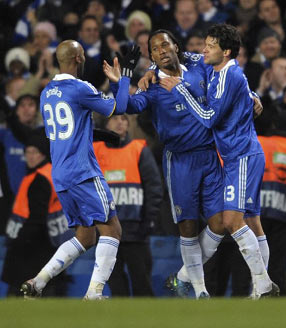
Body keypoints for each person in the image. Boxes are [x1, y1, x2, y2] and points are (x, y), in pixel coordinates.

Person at [103, 29, 226, 299]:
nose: (161, 50)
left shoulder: (197, 64)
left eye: (165, 44)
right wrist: (120, 81)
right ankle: (199, 289)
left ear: (176, 46)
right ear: (152, 56)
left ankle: (182, 276)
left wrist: (253, 95)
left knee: (220, 223)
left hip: (209, 155)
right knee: (188, 226)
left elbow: (225, 68)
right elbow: (126, 106)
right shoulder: (152, 87)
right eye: (155, 48)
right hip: (180, 160)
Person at [165, 23, 279, 298]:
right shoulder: (221, 72)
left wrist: (180, 90)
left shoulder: (229, 75)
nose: (204, 49)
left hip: (241, 156)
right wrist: (254, 95)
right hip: (239, 156)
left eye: (211, 45)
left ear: (226, 51)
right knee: (252, 223)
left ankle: (263, 285)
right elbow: (192, 59)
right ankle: (258, 289)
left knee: (231, 221)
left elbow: (208, 118)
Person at [20, 39, 140, 300]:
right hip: (83, 171)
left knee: (85, 236)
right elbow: (118, 108)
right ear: (77, 59)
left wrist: (97, 134)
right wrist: (124, 78)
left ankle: (38, 281)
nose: (85, 59)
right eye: (83, 55)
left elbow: (68, 128)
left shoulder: (47, 92)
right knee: (113, 229)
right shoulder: (80, 87)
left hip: (60, 173)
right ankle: (94, 294)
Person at [93, 114, 162, 296]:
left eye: (124, 119)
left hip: (135, 230)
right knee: (116, 287)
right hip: (106, 230)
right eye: (114, 119)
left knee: (142, 284)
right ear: (106, 124)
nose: (120, 122)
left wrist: (148, 221)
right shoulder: (94, 150)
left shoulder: (139, 149)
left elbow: (153, 188)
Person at [2, 129, 72, 296]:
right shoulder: (49, 172)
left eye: (35, 152)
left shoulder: (38, 179)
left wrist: (20, 240)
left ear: (42, 154)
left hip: (33, 244)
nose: (30, 156)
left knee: (22, 291)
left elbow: (37, 217)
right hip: (51, 240)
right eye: (28, 152)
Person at [259, 110, 286, 295]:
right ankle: (278, 298)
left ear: (275, 126)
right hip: (285, 210)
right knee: (278, 262)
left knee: (253, 258)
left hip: (256, 211)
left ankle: (252, 296)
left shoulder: (260, 142)